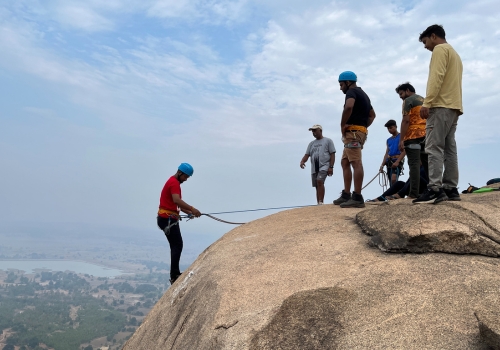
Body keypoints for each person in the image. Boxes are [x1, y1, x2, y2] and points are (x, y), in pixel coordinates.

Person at [413, 24, 463, 204]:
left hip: (440, 105)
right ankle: (451, 188)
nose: (425, 46)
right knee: (450, 149)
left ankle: (434, 188)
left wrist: (427, 102)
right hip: (454, 106)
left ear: (433, 36)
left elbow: (436, 77)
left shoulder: (440, 50)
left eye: (425, 41)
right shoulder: (455, 54)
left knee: (433, 147)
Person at [333, 71, 376, 208]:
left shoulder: (351, 93)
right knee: (345, 162)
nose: (340, 88)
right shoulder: (364, 95)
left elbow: (349, 106)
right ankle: (346, 194)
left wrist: (343, 125)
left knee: (356, 163)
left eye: (341, 84)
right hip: (357, 132)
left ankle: (357, 196)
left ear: (347, 82)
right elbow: (372, 115)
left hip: (353, 133)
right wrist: (363, 126)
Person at [157, 163, 201, 285]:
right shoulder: (174, 183)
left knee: (176, 245)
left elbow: (175, 204)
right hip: (168, 219)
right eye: (186, 177)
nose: (186, 179)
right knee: (177, 245)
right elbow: (177, 200)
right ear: (180, 173)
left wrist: (188, 212)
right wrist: (192, 209)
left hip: (167, 218)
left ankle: (174, 274)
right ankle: (174, 275)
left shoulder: (172, 182)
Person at [396, 82, 428, 199]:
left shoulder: (408, 101)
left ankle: (413, 193)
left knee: (414, 165)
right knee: (427, 164)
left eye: (401, 93)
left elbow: (406, 121)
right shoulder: (424, 100)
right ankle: (430, 190)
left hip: (412, 136)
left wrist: (402, 139)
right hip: (426, 135)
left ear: (408, 90)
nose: (401, 97)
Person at [300, 125, 336, 205]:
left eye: (315, 131)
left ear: (320, 130)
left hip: (324, 165)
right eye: (312, 131)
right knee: (317, 184)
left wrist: (331, 167)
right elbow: (307, 154)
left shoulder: (328, 141)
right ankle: (318, 202)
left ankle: (321, 201)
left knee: (320, 181)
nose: (314, 133)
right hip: (314, 167)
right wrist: (302, 161)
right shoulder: (311, 143)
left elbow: (332, 154)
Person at [379, 119, 405, 185]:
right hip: (389, 161)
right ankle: (392, 194)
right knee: (391, 181)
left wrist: (397, 161)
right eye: (388, 128)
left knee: (394, 179)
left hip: (397, 160)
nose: (389, 130)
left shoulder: (401, 136)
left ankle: (396, 193)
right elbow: (387, 152)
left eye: (391, 128)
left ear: (396, 127)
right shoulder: (388, 140)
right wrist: (382, 165)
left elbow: (405, 150)